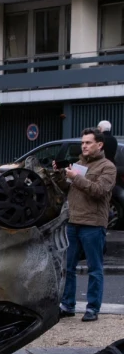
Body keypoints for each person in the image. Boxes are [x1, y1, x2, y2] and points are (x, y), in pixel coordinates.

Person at [57, 128, 116, 322]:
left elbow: (99, 191)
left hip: (93, 224)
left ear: (99, 144)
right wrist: (61, 175)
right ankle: (67, 305)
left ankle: (92, 308)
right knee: (68, 267)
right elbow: (66, 189)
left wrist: (76, 177)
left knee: (94, 268)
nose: (84, 146)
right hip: (73, 221)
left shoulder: (108, 167)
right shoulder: (79, 164)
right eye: (83, 143)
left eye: (88, 142)